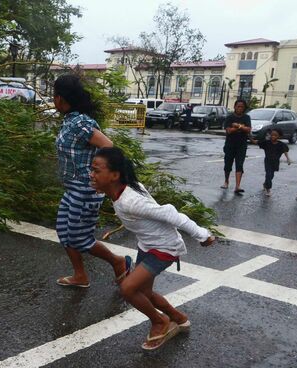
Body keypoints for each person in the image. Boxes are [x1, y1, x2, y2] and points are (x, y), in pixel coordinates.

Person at [89, 147, 216, 350]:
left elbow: (170, 213)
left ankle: (159, 321)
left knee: (128, 288)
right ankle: (178, 318)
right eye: (92, 169)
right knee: (143, 293)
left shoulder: (131, 201)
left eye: (96, 170)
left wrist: (203, 235)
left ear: (114, 175)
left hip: (164, 248)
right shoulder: (123, 189)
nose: (91, 174)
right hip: (148, 245)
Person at [53, 74, 131, 288]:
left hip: (85, 189)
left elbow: (108, 145)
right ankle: (80, 276)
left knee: (79, 238)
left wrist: (99, 175)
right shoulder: (70, 120)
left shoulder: (80, 123)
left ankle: (118, 262)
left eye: (54, 95)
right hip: (72, 188)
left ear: (60, 98)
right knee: (63, 231)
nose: (53, 99)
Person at [221, 99, 252, 194]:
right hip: (230, 144)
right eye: (238, 106)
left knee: (239, 164)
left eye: (242, 107)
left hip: (242, 145)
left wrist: (237, 126)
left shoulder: (246, 117)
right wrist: (241, 127)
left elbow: (248, 129)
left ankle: (237, 186)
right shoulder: (229, 117)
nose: (240, 108)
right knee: (228, 164)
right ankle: (226, 181)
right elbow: (228, 130)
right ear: (234, 107)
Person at [258, 129, 291, 197]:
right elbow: (257, 142)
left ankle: (265, 183)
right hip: (267, 161)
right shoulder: (266, 143)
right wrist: (250, 137)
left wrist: (288, 159)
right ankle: (268, 189)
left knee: (271, 175)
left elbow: (285, 152)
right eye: (272, 135)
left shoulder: (281, 144)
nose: (273, 136)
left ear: (279, 136)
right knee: (268, 174)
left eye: (275, 135)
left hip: (275, 162)